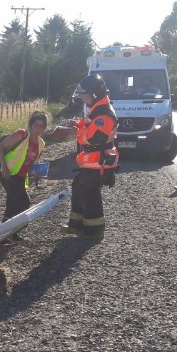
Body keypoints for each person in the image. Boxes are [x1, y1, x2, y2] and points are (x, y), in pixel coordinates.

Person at [61, 73, 119, 241]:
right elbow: (90, 128)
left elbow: (95, 138)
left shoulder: (105, 114)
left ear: (95, 95)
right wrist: (78, 125)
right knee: (79, 187)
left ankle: (94, 230)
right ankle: (76, 225)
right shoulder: (97, 111)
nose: (84, 100)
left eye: (85, 96)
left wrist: (75, 132)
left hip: (100, 160)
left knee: (90, 193)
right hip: (92, 160)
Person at [0, 111, 49, 237]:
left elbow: (33, 162)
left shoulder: (41, 143)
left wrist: (36, 173)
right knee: (23, 202)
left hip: (20, 176)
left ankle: (5, 233)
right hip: (7, 173)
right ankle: (12, 231)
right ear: (30, 125)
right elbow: (0, 147)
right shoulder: (21, 135)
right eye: (36, 124)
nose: (38, 128)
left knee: (12, 202)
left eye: (42, 126)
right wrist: (4, 166)